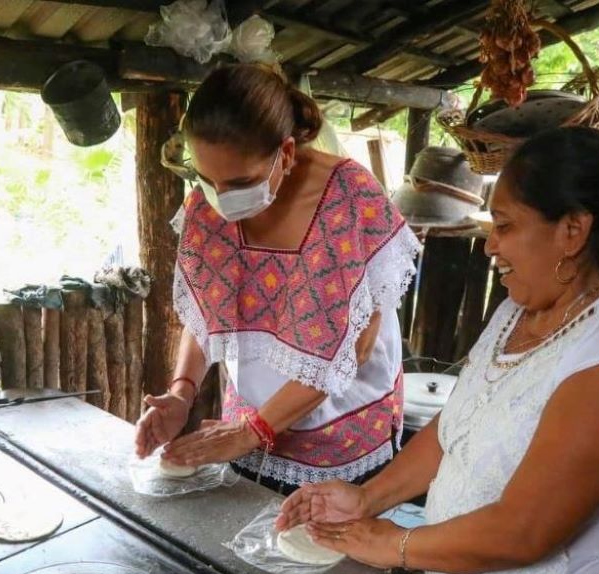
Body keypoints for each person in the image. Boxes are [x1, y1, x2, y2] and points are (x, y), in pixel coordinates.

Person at [277, 126, 599, 574]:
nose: (490, 245)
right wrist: (366, 498)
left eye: (505, 225)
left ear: (572, 231)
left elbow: (525, 530)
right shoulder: (517, 312)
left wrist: (391, 543)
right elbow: (457, 430)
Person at [134, 63, 421, 494]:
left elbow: (355, 347)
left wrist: (252, 431)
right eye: (208, 180)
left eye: (241, 182)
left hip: (339, 433)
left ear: (285, 153)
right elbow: (207, 313)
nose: (222, 199)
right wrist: (181, 394)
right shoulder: (207, 205)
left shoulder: (348, 201)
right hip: (248, 422)